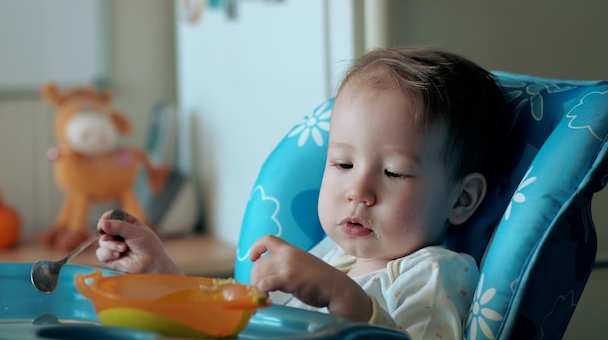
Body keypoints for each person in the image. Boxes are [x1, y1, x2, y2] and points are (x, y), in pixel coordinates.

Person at [95, 46, 513, 339]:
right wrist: (162, 275)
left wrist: (342, 297)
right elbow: (241, 326)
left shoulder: (436, 273)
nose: (359, 192)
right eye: (343, 165)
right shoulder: (330, 254)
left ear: (461, 199)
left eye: (394, 172)